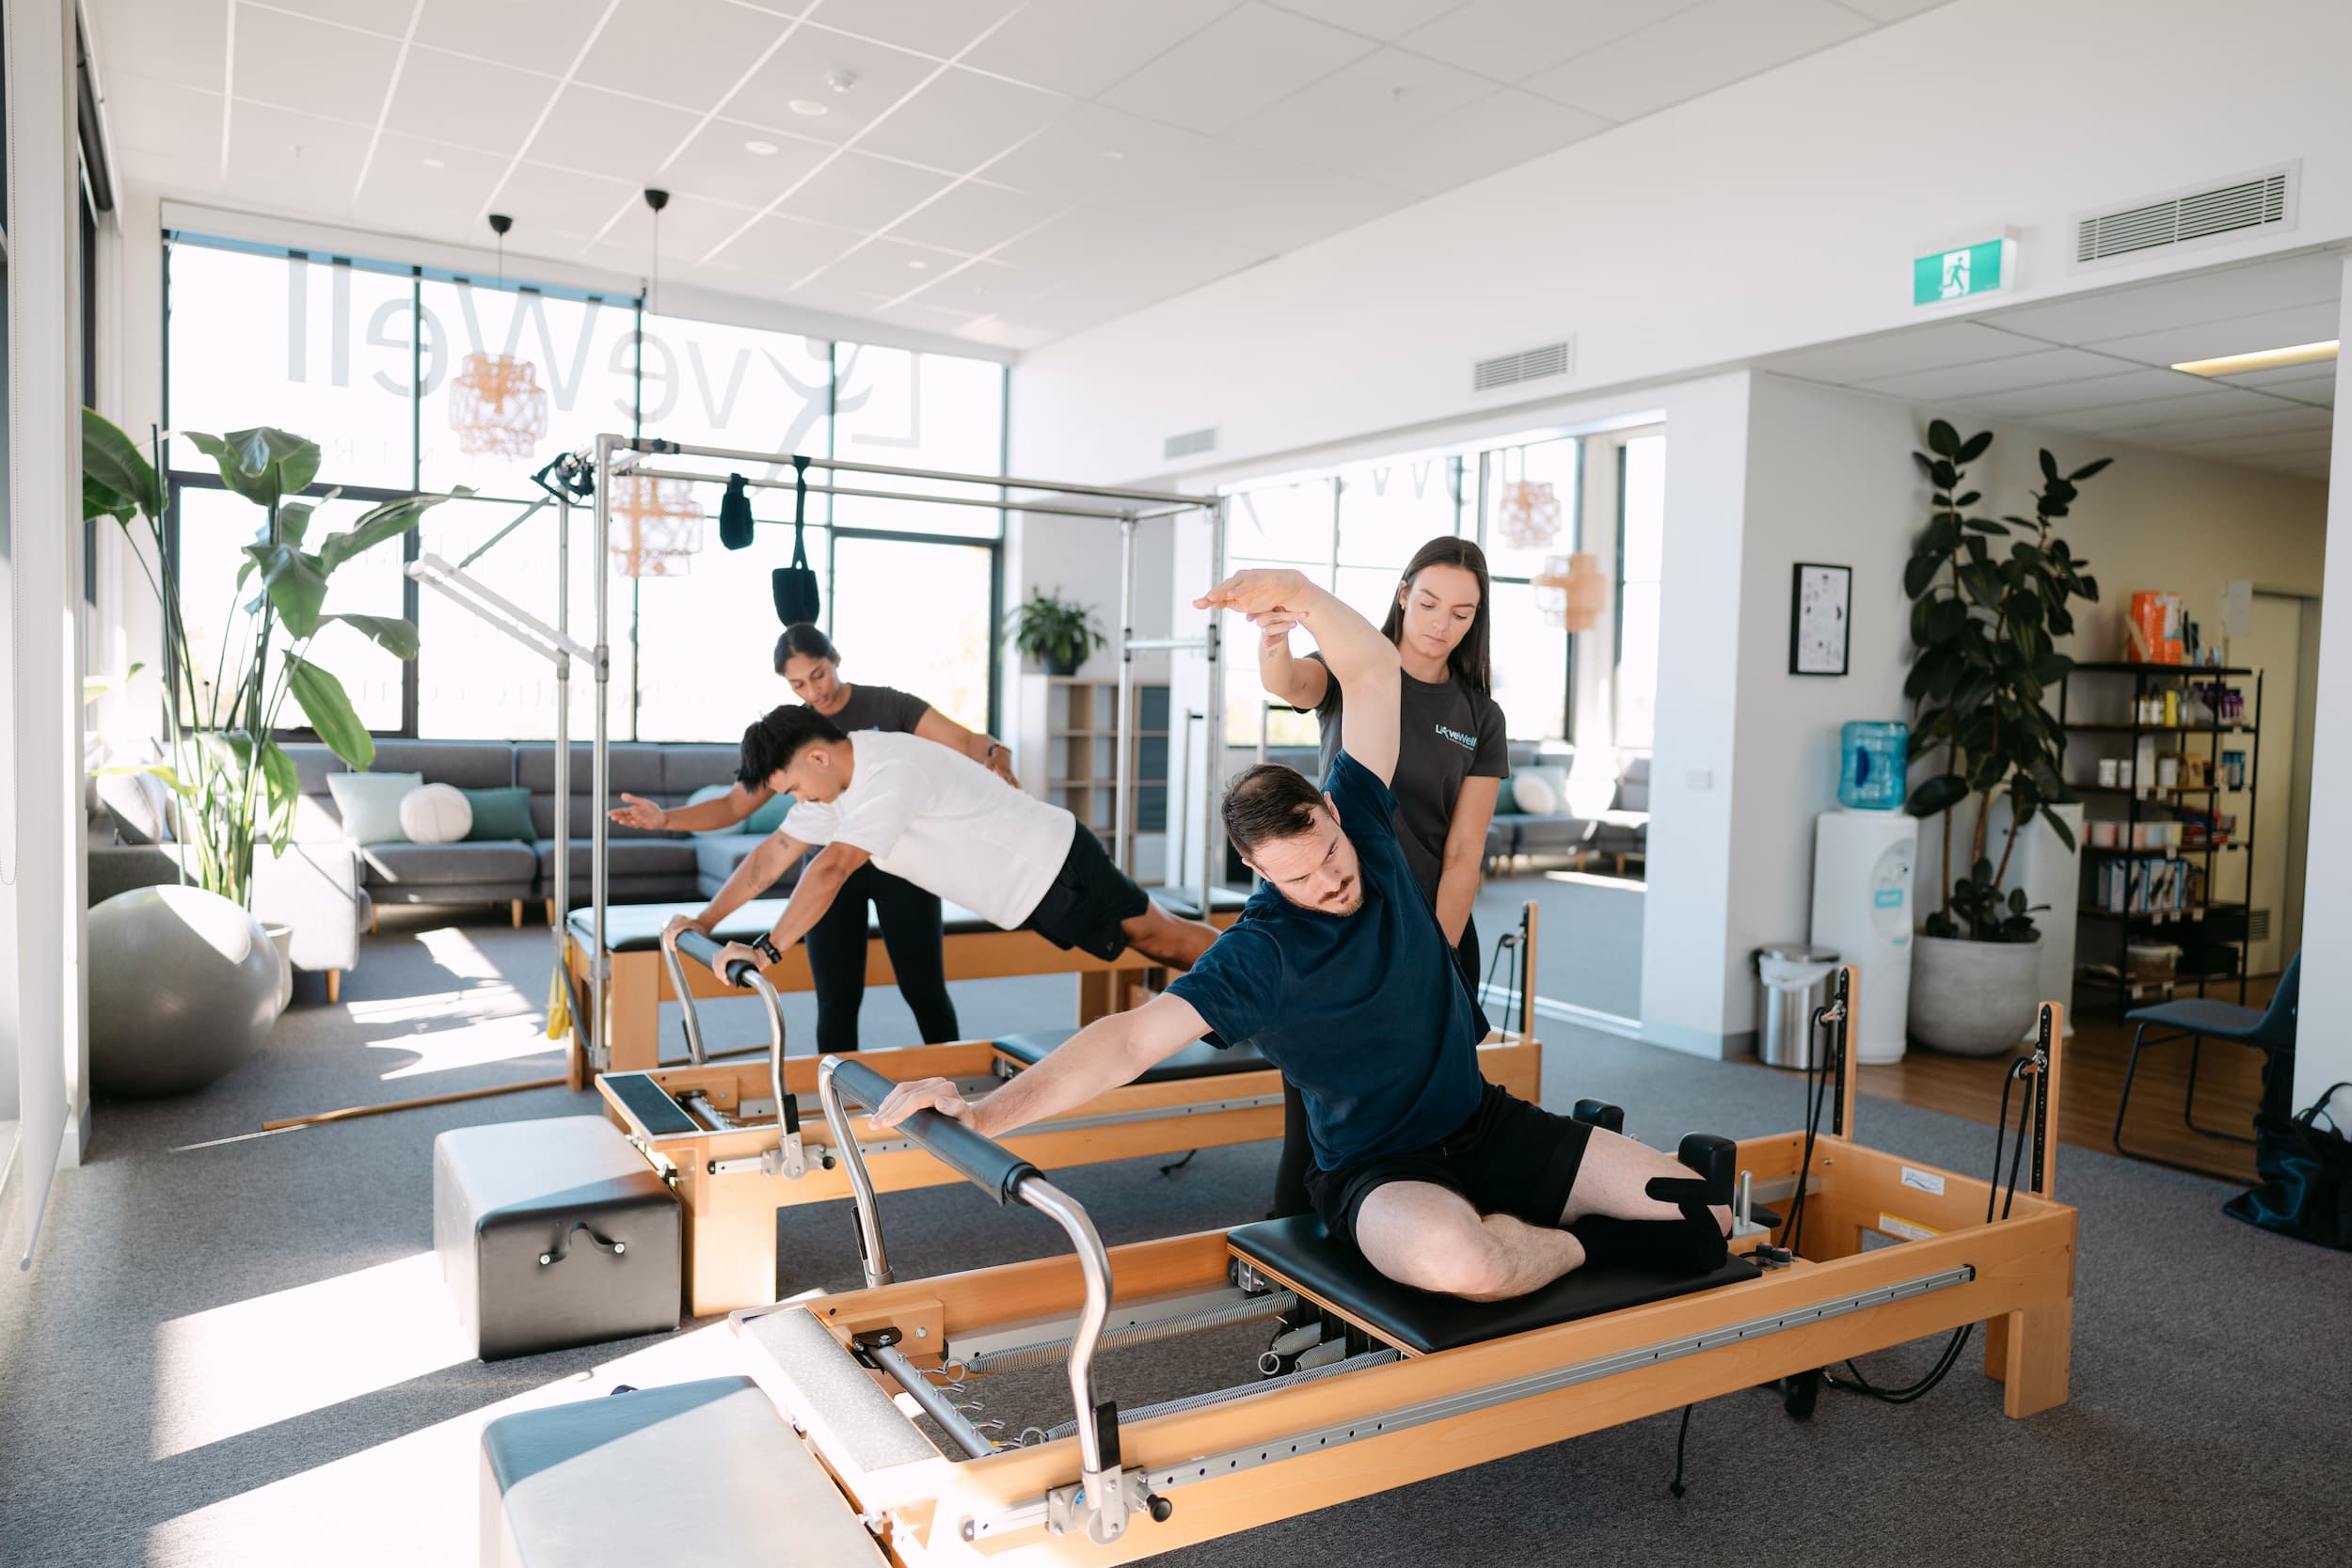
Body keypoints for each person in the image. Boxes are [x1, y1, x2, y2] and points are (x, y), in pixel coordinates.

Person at [867, 567, 1726, 1305]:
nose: (1331, 879)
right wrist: (984, 1109)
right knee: (1461, 1258)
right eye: (1300, 875)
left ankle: (1541, 1230)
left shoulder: (1368, 822)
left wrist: (1301, 595)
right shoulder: (1261, 953)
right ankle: (1576, 1242)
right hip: (1382, 1174)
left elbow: (1376, 674)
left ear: (1334, 813)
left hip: (1485, 1123)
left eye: (1330, 851)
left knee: (1708, 1212)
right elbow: (1124, 1042)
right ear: (1260, 876)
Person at [609, 624, 1015, 1051]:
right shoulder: (793, 734)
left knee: (924, 990)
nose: (813, 692)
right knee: (837, 1000)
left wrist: (995, 753)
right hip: (831, 874)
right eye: (798, 684)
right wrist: (665, 821)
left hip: (903, 865)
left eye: (818, 675)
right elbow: (735, 808)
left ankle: (956, 1086)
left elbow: (965, 741)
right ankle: (837, 1101)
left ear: (835, 658)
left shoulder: (888, 706)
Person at [1256, 535, 1507, 1218]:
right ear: (1403, 593)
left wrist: (1434, 956)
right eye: (1427, 602)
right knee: (1314, 1124)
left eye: (1461, 612)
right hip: (1336, 928)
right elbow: (1287, 683)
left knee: (1423, 1123)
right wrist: (1276, 637)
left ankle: (1394, 1262)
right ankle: (1294, 1297)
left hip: (1433, 932)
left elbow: (1464, 852)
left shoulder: (1479, 716)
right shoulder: (1355, 669)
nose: (1439, 623)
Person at [690, 705, 1221, 994]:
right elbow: (771, 855)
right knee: (1156, 938)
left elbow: (831, 869)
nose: (797, 802)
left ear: (817, 758)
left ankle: (1270, 975)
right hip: (1032, 886)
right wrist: (704, 922)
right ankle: (1260, 977)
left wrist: (767, 950)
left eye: (793, 789)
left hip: (1055, 865)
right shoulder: (835, 790)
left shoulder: (889, 772)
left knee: (1163, 940)